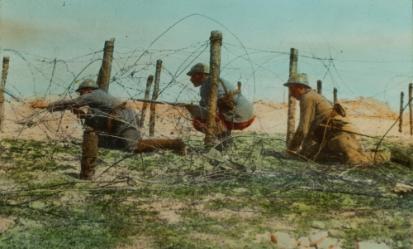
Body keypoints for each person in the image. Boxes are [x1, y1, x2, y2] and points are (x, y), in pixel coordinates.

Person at [31, 79, 186, 179]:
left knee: (132, 147)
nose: (82, 95)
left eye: (82, 92)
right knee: (96, 139)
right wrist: (82, 116)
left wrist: (47, 106)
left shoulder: (93, 95)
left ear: (87, 90)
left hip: (124, 120)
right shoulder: (98, 100)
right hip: (121, 120)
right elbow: (97, 121)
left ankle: (174, 144)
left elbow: (72, 102)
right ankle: (88, 173)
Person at [284, 73, 389, 165]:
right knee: (311, 156)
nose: (291, 93)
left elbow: (303, 128)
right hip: (330, 138)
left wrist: (291, 149)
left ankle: (386, 155)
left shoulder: (307, 98)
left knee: (356, 161)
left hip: (341, 135)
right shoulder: (310, 97)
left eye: (292, 89)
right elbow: (309, 129)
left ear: (300, 87)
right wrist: (303, 150)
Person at [186, 63, 255, 144]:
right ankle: (224, 139)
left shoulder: (207, 85)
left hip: (239, 118)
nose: (191, 79)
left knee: (198, 121)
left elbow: (207, 110)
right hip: (249, 115)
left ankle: (222, 142)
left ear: (201, 75)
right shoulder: (218, 80)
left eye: (193, 76)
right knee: (217, 115)